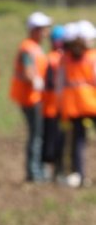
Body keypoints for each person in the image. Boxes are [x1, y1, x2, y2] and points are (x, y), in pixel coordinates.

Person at [9, 11, 53, 182]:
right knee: (36, 135)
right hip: (30, 98)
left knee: (37, 135)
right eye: (43, 28)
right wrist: (35, 80)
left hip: (35, 97)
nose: (46, 32)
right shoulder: (28, 47)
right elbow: (28, 71)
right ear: (35, 30)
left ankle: (36, 170)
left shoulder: (35, 46)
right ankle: (34, 172)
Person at [57, 19, 96, 187]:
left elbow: (60, 84)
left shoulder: (65, 58)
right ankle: (79, 174)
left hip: (73, 106)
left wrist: (60, 105)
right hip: (91, 104)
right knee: (78, 141)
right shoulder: (92, 57)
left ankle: (79, 174)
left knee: (77, 142)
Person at [42, 24, 66, 180]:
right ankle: (48, 170)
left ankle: (58, 170)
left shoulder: (63, 58)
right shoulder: (52, 58)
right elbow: (50, 83)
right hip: (51, 107)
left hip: (62, 108)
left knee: (60, 140)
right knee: (50, 140)